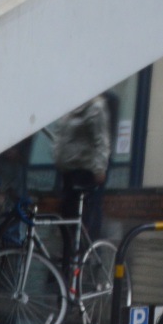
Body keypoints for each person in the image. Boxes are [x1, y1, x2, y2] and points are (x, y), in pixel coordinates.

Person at [50, 94, 111, 239]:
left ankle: (85, 249)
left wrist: (100, 168)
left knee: (81, 214)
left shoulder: (95, 108)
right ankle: (70, 251)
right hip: (67, 170)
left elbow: (101, 141)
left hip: (84, 170)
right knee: (66, 214)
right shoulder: (69, 108)